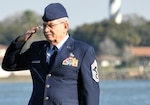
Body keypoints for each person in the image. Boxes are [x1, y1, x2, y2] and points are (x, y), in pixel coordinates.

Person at [2, 2, 100, 105]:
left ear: (65, 26)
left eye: (51, 26)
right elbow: (9, 65)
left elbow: (91, 91)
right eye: (44, 26)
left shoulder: (82, 51)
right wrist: (19, 42)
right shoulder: (37, 49)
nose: (46, 30)